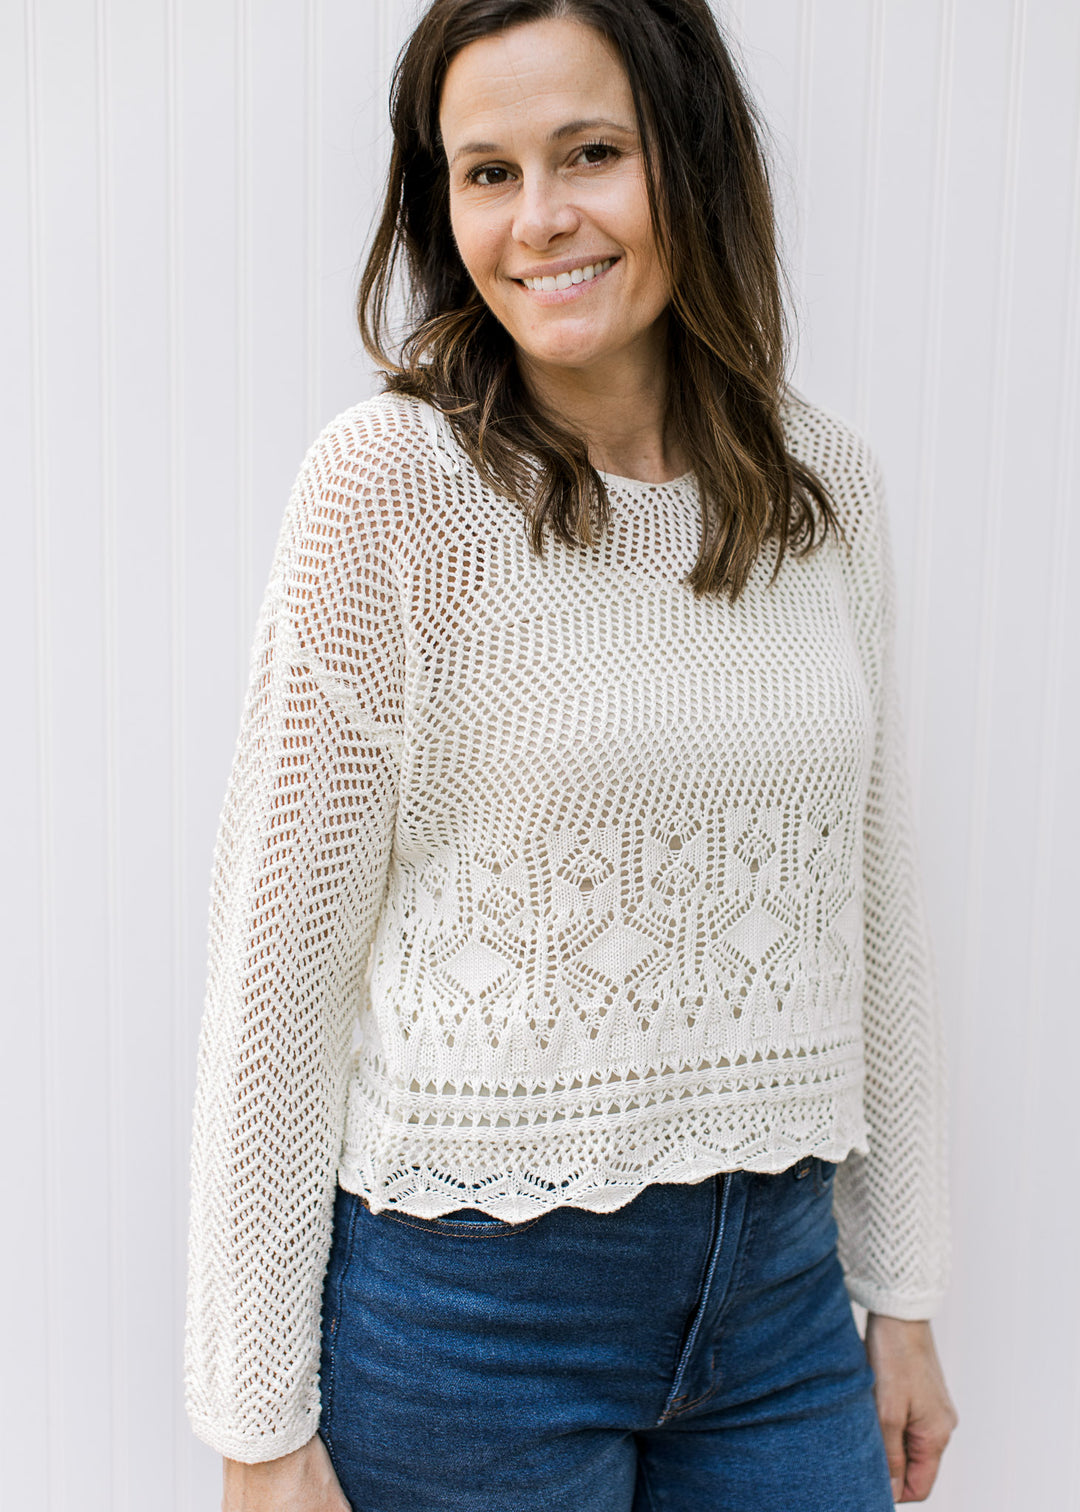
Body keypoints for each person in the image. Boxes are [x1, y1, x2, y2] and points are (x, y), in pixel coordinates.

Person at [185, 1, 959, 1507]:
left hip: (784, 1307)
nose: (540, 221)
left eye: (590, 153)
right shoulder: (391, 492)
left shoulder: (827, 492)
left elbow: (873, 904)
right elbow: (273, 982)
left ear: (691, 160)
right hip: (472, 1325)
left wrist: (904, 1289)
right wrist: (259, 1432)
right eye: (486, 173)